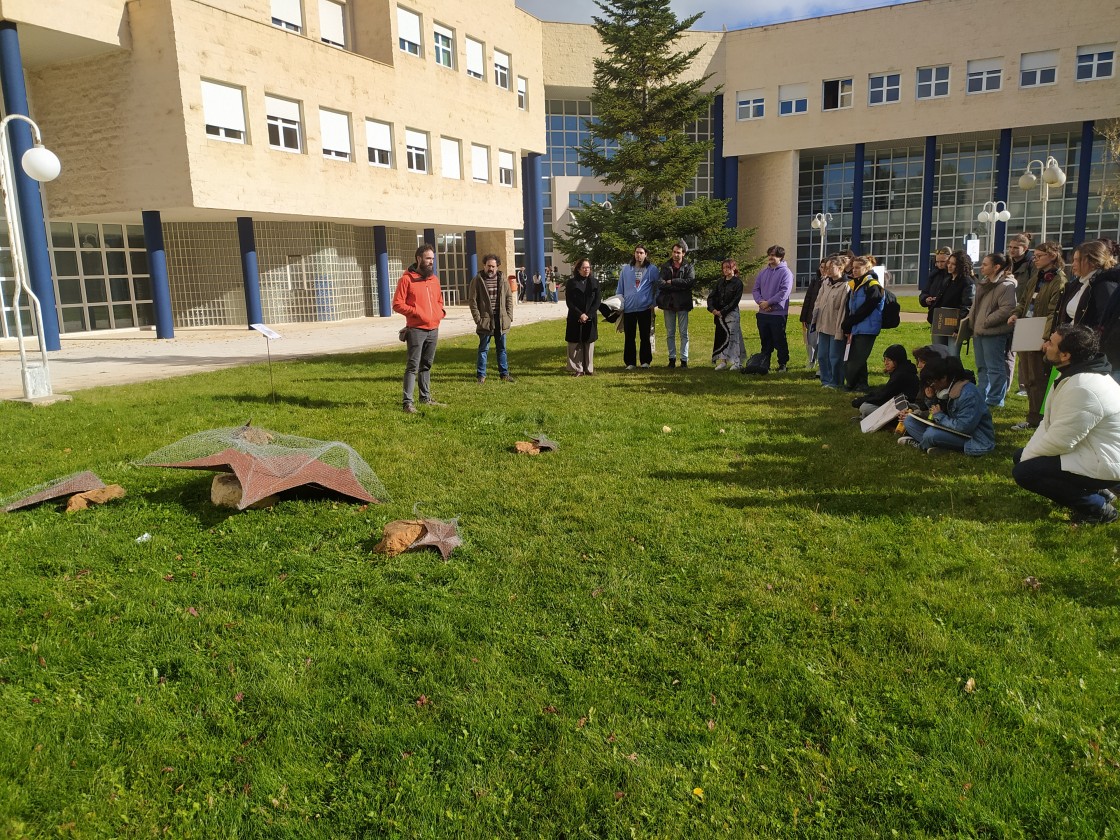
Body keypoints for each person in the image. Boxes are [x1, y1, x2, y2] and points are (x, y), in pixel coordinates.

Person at [1012, 324, 1120, 524]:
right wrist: (1028, 455)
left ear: (1065, 355)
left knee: (1024, 472)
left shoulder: (1083, 387)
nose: (1044, 346)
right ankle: (1097, 492)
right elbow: (1048, 424)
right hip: (1094, 451)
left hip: (1108, 462)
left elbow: (1061, 441)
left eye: (1051, 343)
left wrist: (1029, 460)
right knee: (1021, 457)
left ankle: (1099, 507)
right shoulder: (1072, 374)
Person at [1008, 240, 1067, 429]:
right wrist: (1016, 313)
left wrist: (1047, 338)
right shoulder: (1036, 277)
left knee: (1039, 378)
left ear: (1053, 256)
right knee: (1028, 379)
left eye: (1040, 256)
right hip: (1027, 330)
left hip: (1041, 335)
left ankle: (1041, 419)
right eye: (1035, 256)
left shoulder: (1058, 280)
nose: (1035, 260)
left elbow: (1054, 312)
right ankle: (1033, 417)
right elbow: (1024, 300)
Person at [898, 356, 996, 455]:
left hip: (974, 439)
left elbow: (964, 427)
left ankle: (921, 445)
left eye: (932, 382)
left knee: (931, 434)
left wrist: (939, 416)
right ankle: (938, 446)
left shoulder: (968, 394)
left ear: (944, 378)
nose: (931, 386)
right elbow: (936, 414)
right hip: (950, 430)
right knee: (909, 421)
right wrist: (931, 400)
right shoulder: (944, 390)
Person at [393, 243, 447, 414]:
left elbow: (439, 300)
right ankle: (407, 403)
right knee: (412, 366)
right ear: (419, 259)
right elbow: (397, 304)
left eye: (432, 259)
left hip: (433, 328)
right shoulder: (406, 279)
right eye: (428, 258)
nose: (431, 262)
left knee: (427, 365)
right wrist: (416, 312)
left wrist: (440, 313)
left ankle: (425, 398)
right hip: (416, 329)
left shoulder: (434, 280)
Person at [961, 252, 1017, 407]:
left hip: (993, 333)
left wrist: (986, 322)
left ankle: (995, 400)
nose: (982, 267)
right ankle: (982, 395)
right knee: (982, 367)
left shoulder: (1006, 286)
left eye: (985, 264)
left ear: (996, 267)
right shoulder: (984, 283)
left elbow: (1008, 309)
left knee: (995, 367)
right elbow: (975, 307)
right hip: (979, 332)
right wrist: (971, 324)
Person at [468, 253, 516, 384]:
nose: (491, 269)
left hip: (501, 319)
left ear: (497, 267)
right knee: (483, 349)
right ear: (484, 265)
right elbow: (472, 301)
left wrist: (509, 317)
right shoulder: (477, 280)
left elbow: (508, 298)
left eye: (493, 266)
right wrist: (478, 319)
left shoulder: (503, 279)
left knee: (502, 349)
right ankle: (481, 376)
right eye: (488, 266)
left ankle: (504, 374)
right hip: (485, 320)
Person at [841, 254, 885, 391]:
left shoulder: (873, 285)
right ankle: (860, 384)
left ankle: (851, 383)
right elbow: (850, 307)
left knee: (856, 358)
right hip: (856, 326)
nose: (854, 270)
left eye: (857, 268)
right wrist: (848, 323)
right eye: (853, 268)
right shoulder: (855, 284)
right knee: (859, 357)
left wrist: (850, 321)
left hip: (867, 328)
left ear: (867, 268)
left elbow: (867, 308)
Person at [1056, 240, 1118, 331]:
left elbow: (1105, 324)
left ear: (1092, 262)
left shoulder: (1105, 286)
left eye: (1077, 260)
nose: (1072, 264)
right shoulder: (1077, 284)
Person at [752, 245, 794, 372]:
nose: (770, 257)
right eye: (769, 254)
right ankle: (765, 363)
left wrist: (769, 303)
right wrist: (761, 302)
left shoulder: (786, 273)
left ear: (780, 257)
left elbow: (784, 292)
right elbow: (755, 289)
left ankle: (782, 364)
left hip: (778, 314)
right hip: (763, 313)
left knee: (779, 339)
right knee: (765, 340)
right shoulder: (763, 272)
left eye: (773, 255)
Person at [617, 244, 659, 369]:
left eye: (641, 253)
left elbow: (659, 287)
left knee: (644, 336)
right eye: (637, 252)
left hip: (644, 308)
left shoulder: (652, 269)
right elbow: (620, 288)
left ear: (646, 254)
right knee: (629, 336)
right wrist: (619, 304)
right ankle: (630, 362)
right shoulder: (626, 270)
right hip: (629, 308)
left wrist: (654, 302)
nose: (638, 255)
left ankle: (645, 361)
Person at [850, 344, 920, 418]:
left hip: (905, 409)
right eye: (885, 359)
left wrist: (860, 401)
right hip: (900, 405)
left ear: (897, 360)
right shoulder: (901, 371)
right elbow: (884, 392)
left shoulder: (901, 374)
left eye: (889, 360)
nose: (886, 363)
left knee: (865, 407)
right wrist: (865, 398)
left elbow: (883, 397)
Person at [812, 256, 849, 388]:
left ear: (840, 268)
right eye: (825, 267)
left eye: (830, 267)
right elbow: (818, 302)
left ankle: (836, 382)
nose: (826, 269)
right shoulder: (825, 282)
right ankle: (825, 380)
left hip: (835, 327)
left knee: (835, 357)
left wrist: (840, 329)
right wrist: (815, 321)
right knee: (822, 356)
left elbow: (843, 310)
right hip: (823, 325)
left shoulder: (845, 286)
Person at [657, 239, 695, 369]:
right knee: (670, 333)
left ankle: (684, 360)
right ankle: (672, 359)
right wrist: (677, 285)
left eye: (678, 252)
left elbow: (689, 282)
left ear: (683, 253)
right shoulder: (665, 266)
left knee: (684, 332)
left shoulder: (688, 266)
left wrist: (672, 282)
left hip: (683, 304)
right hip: (669, 304)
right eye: (674, 252)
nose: (675, 255)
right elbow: (660, 283)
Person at [932, 250, 975, 356]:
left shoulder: (967, 282)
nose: (949, 266)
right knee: (938, 354)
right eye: (949, 263)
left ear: (961, 266)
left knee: (953, 355)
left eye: (953, 264)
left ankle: (954, 373)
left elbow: (967, 305)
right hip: (941, 322)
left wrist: (958, 328)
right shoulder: (947, 280)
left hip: (955, 325)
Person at [565, 258, 601, 376]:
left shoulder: (594, 282)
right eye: (584, 268)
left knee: (588, 342)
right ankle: (578, 369)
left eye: (588, 268)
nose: (586, 270)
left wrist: (588, 314)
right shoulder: (571, 283)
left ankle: (588, 368)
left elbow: (597, 301)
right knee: (575, 343)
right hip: (575, 316)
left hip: (590, 317)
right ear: (578, 269)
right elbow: (569, 302)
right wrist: (580, 314)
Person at [708, 259, 745, 370]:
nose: (725, 270)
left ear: (733, 268)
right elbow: (712, 296)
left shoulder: (738, 283)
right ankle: (723, 361)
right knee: (721, 336)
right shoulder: (720, 282)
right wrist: (712, 309)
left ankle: (736, 362)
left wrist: (723, 311)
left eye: (728, 268)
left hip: (731, 313)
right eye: (723, 268)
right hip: (719, 314)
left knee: (734, 337)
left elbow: (735, 301)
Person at [921, 247, 952, 342]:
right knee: (937, 348)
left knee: (952, 352)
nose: (939, 264)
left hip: (950, 315)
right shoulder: (933, 275)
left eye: (942, 261)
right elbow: (924, 293)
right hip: (936, 317)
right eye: (937, 261)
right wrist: (926, 299)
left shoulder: (954, 276)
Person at [799, 261, 823, 372]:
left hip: (824, 318)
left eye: (825, 267)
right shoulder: (815, 280)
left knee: (821, 342)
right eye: (821, 267)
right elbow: (808, 299)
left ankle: (819, 362)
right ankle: (811, 360)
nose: (823, 269)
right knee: (811, 341)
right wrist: (803, 317)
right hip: (811, 317)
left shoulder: (830, 282)